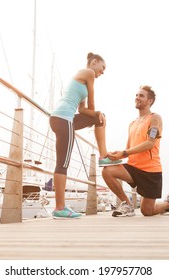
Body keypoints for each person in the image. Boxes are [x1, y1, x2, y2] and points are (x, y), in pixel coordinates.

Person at [49, 52, 121, 219]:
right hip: (63, 119)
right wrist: (97, 111)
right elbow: (92, 104)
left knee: (98, 118)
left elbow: (82, 110)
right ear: (94, 62)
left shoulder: (80, 78)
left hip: (62, 118)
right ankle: (60, 208)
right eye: (102, 68)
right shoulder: (88, 73)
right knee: (62, 164)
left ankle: (104, 156)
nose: (102, 73)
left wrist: (98, 114)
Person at [102, 85, 169, 217]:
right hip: (133, 168)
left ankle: (167, 204)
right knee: (107, 171)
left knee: (147, 211)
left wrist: (124, 153)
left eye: (141, 95)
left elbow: (150, 143)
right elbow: (128, 149)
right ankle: (127, 205)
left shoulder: (155, 118)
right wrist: (115, 155)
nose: (137, 98)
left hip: (151, 171)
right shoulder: (132, 123)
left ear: (149, 101)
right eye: (136, 95)